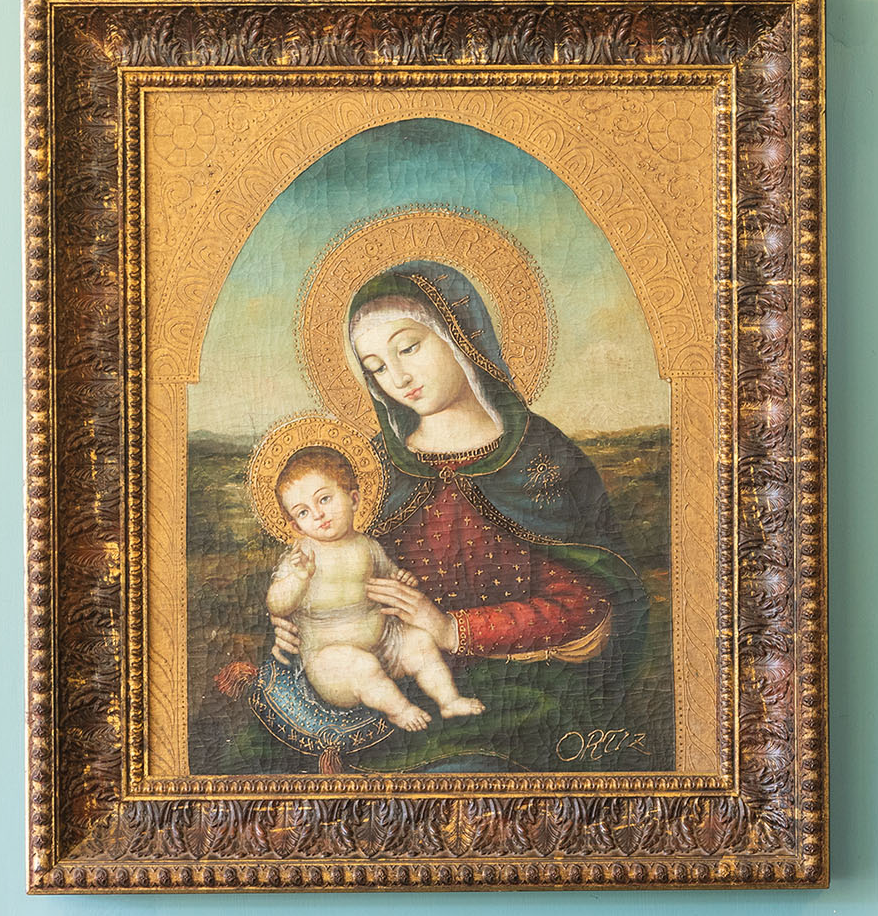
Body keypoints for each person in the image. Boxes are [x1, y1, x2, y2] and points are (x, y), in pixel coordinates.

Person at [263, 259, 669, 772]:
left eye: (408, 348)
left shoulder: (539, 455)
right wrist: (294, 623)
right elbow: (322, 570)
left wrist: (452, 629)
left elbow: (588, 604)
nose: (399, 377)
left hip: (520, 692)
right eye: (377, 368)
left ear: (459, 335)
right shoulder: (372, 469)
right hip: (386, 688)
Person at [262, 444, 483, 733]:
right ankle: (399, 710)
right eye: (303, 512)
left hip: (385, 644)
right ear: (296, 526)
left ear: (353, 499)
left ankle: (449, 700)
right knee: (362, 666)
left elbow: (389, 577)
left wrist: (401, 580)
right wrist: (299, 579)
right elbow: (277, 604)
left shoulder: (368, 546)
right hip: (330, 661)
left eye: (325, 499)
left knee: (419, 642)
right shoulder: (302, 556)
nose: (318, 514)